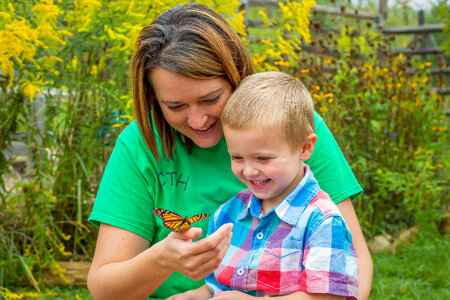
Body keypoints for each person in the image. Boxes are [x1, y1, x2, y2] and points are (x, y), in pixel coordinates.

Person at [87, 3, 372, 300]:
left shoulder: (290, 126)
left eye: (211, 99)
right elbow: (105, 290)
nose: (197, 121)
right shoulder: (141, 144)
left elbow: (352, 267)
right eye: (175, 106)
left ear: (235, 76)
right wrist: (162, 261)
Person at [169, 71, 359, 299]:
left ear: (305, 148)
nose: (248, 171)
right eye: (237, 158)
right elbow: (218, 285)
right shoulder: (230, 214)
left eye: (263, 159)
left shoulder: (322, 222)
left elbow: (328, 297)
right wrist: (194, 296)